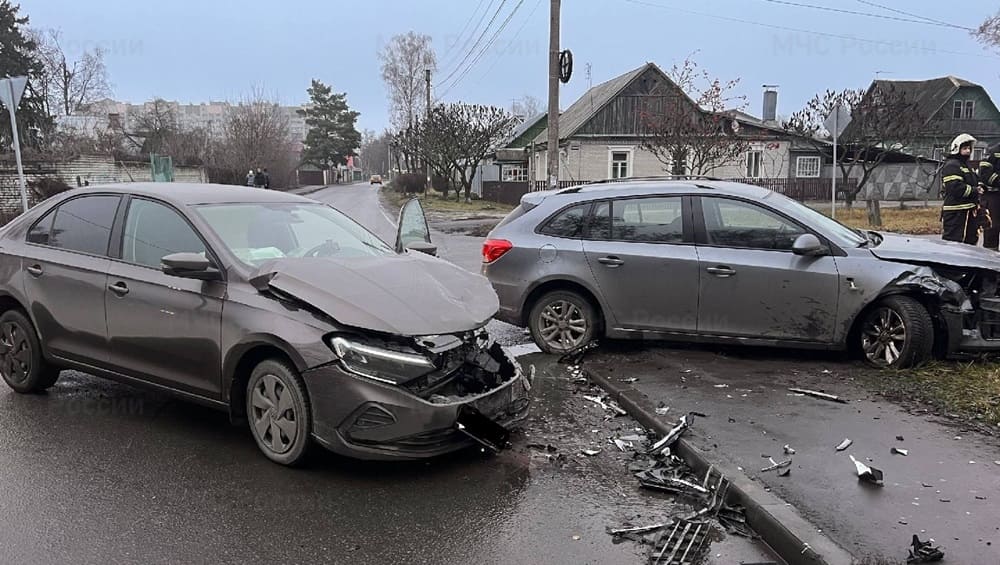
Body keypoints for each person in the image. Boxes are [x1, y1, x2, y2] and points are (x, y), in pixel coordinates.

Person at [940, 133, 983, 245]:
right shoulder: (952, 165)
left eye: (969, 148)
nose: (968, 151)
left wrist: (980, 187)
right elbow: (955, 188)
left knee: (970, 243)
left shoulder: (966, 166)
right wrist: (975, 190)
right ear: (956, 149)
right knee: (954, 244)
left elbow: (974, 181)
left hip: (968, 211)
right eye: (964, 148)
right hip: (956, 212)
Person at [979, 142, 1000, 250]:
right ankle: (990, 260)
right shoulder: (992, 151)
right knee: (992, 228)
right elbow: (985, 174)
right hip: (993, 197)